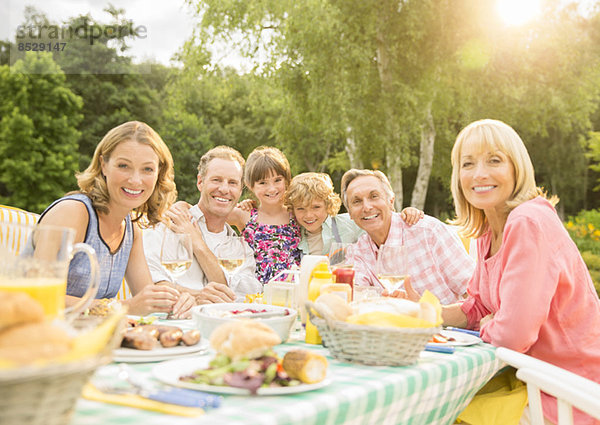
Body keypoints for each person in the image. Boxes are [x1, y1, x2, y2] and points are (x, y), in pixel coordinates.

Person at [402, 118, 600, 425]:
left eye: (494, 160)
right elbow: (480, 306)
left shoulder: (527, 221)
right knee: (432, 404)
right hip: (533, 377)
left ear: (516, 168)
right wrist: (427, 312)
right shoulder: (486, 230)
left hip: (571, 390)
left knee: (436, 413)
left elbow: (512, 335)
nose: (479, 174)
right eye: (468, 164)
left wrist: (493, 324)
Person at [37, 121, 195, 318]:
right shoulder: (73, 212)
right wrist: (122, 307)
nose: (135, 180)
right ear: (103, 165)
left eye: (147, 169)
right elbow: (38, 297)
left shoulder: (131, 230)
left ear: (158, 174)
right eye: (123, 166)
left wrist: (180, 300)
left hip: (90, 340)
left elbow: (147, 300)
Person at [143, 146, 262, 302]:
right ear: (200, 182)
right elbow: (149, 282)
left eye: (232, 183)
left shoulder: (241, 249)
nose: (224, 189)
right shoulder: (170, 224)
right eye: (216, 180)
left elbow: (242, 299)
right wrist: (196, 296)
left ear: (240, 190)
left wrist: (198, 244)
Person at [340, 168, 474, 304]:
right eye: (356, 201)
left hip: (443, 322)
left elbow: (473, 291)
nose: (367, 207)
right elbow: (355, 296)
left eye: (374, 196)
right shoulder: (357, 252)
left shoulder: (427, 232)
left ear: (391, 201)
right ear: (350, 213)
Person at [283, 172, 424, 256]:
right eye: (301, 209)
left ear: (328, 205)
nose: (309, 215)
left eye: (316, 207)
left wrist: (407, 213)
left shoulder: (351, 223)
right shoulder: (292, 233)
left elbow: (384, 221)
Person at [227, 146, 303, 284]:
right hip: (256, 294)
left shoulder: (297, 214)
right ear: (250, 185)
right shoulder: (244, 215)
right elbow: (209, 213)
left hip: (292, 292)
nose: (272, 188)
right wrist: (182, 207)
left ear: (286, 180)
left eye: (277, 180)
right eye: (262, 183)